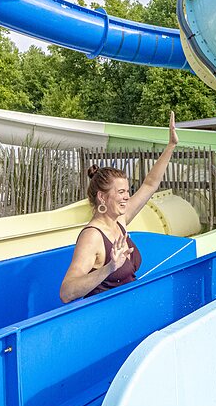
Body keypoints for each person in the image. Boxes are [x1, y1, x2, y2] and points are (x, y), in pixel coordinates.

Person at [59, 113, 179, 303]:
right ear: (102, 197)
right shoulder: (92, 237)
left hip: (130, 306)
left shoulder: (119, 221)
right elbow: (66, 292)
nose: (127, 196)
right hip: (107, 313)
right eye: (121, 192)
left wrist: (171, 145)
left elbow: (150, 184)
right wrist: (110, 268)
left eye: (127, 191)